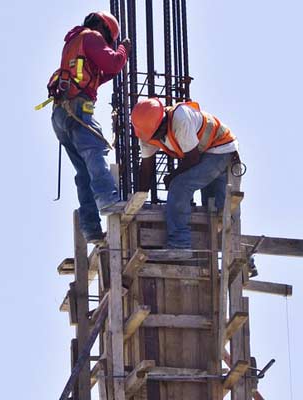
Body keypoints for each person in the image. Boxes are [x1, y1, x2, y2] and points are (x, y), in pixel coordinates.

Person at [49, 11, 131, 244]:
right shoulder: (92, 37)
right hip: (77, 109)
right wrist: (123, 50)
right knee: (95, 151)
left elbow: (104, 72)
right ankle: (107, 199)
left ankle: (91, 227)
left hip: (61, 115)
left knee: (83, 172)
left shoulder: (74, 42)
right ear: (105, 30)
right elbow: (114, 62)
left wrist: (117, 60)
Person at [131, 97, 240, 257]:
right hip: (207, 153)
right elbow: (146, 167)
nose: (157, 138)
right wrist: (139, 199)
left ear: (162, 120)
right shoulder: (147, 134)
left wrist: (172, 177)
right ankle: (236, 251)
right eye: (153, 136)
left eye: (158, 133)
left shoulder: (180, 118)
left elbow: (192, 158)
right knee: (215, 210)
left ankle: (179, 245)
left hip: (221, 150)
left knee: (180, 185)